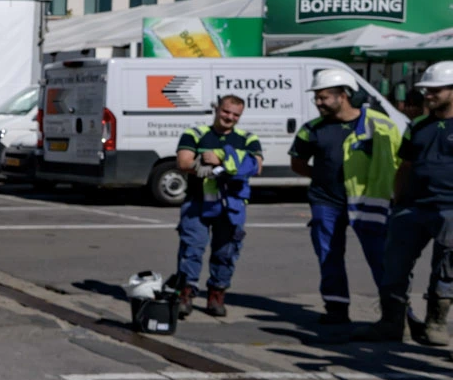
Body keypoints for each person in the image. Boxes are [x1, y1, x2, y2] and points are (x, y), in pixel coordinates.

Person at [288, 68, 400, 327]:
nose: (318, 102)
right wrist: (323, 177)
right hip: (326, 201)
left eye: (324, 97)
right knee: (329, 256)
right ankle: (336, 310)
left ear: (344, 95)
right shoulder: (312, 129)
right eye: (316, 97)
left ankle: (394, 313)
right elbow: (298, 163)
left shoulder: (379, 124)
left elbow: (398, 161)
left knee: (381, 257)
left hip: (367, 202)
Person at [356, 60, 453, 346]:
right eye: (426, 90)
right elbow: (406, 165)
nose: (428, 95)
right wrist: (398, 202)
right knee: (394, 265)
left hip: (449, 208)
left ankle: (436, 321)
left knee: (446, 266)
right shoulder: (418, 126)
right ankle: (391, 322)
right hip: (412, 207)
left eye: (435, 90)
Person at [171, 95, 262, 318]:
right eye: (226, 112)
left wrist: (220, 159)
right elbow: (183, 162)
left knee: (226, 251)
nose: (230, 117)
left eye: (235, 115)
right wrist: (204, 164)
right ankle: (186, 294)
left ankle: (216, 294)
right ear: (217, 109)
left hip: (231, 204)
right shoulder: (195, 134)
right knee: (191, 249)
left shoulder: (248, 138)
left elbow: (255, 166)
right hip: (198, 201)